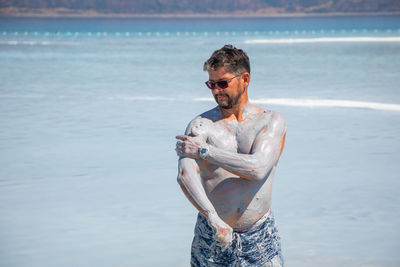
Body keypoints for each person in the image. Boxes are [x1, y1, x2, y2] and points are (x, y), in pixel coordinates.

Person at [175, 45, 286, 266]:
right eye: (211, 84)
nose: (216, 90)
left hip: (260, 236)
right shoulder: (200, 126)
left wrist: (203, 151)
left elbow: (257, 168)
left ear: (245, 79)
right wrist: (213, 218)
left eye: (223, 83)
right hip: (212, 234)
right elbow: (185, 176)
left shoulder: (270, 121)